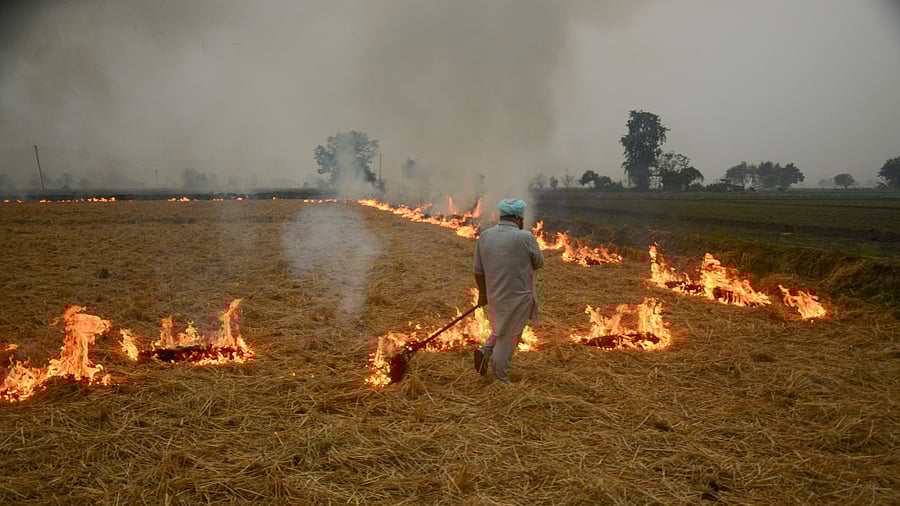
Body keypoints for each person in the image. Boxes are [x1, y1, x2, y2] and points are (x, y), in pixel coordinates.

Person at [473, 198, 544, 383]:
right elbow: (539, 262)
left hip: (495, 295)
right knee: (509, 337)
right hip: (518, 297)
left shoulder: (485, 236)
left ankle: (485, 351)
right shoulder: (525, 237)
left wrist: (483, 295)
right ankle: (500, 379)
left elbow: (478, 271)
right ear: (519, 218)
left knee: (501, 328)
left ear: (502, 216)